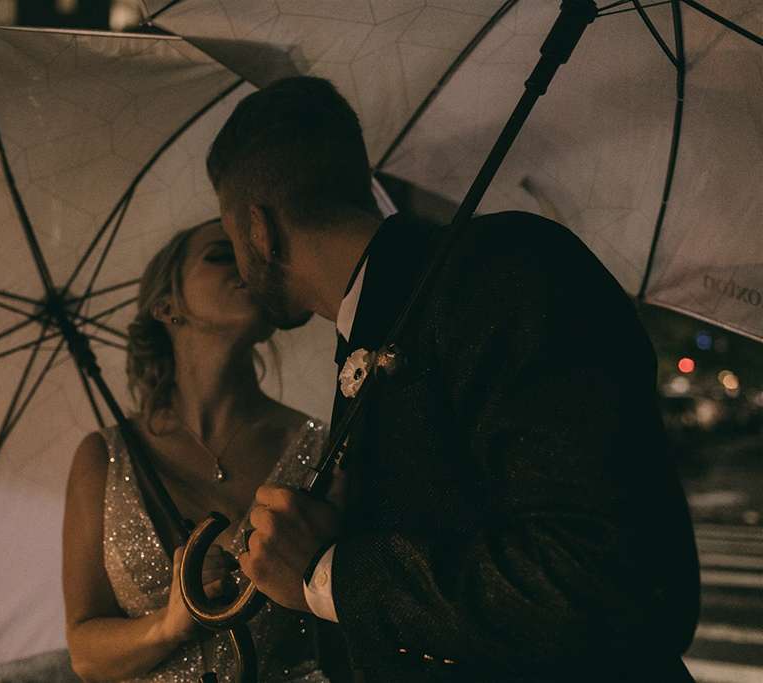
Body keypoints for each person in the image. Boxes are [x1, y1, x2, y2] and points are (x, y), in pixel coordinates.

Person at [208, 76, 701, 682]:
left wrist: (328, 574)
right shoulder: (375, 324)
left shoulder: (507, 272)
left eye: (230, 238)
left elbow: (609, 578)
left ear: (259, 230)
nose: (240, 265)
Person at [61, 220, 331, 682]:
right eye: (221, 255)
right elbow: (85, 655)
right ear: (167, 307)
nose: (244, 265)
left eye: (249, 254)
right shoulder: (105, 457)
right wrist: (168, 625)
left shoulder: (320, 449)